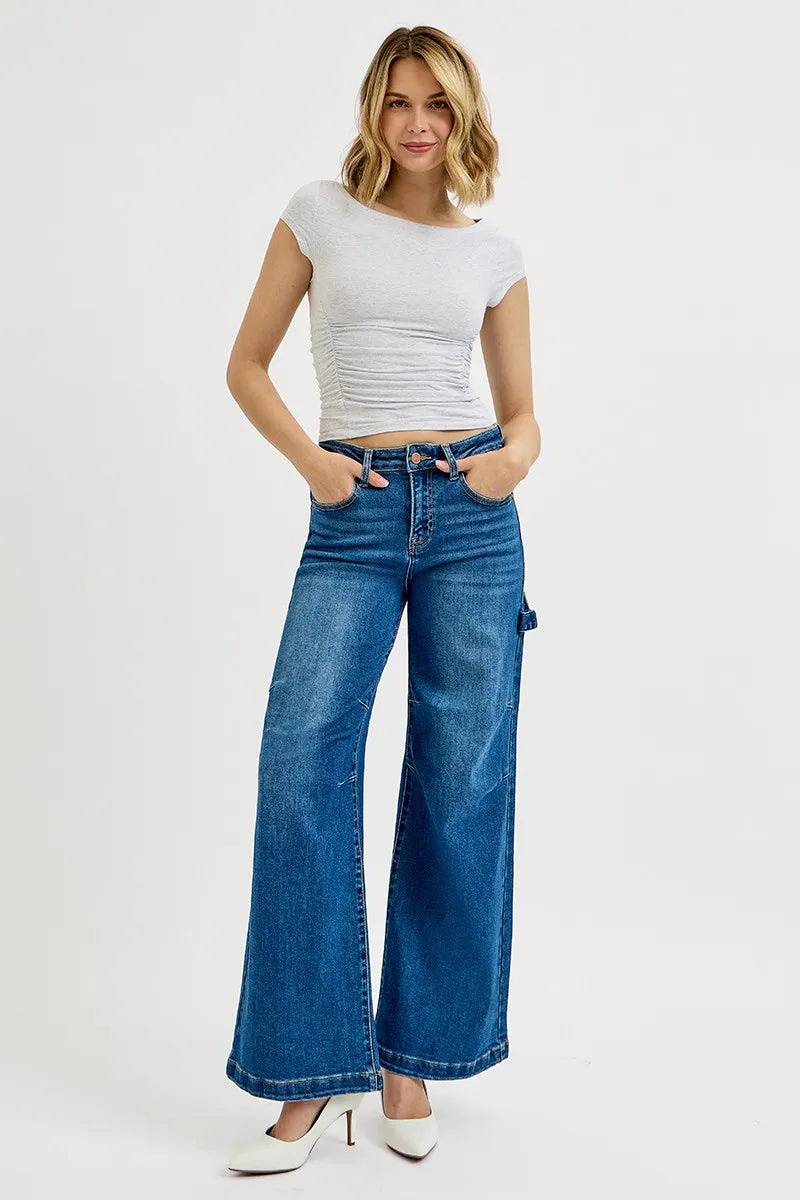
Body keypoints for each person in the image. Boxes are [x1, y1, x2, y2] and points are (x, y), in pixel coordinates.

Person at [224, 24, 541, 1175]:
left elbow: (522, 414)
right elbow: (247, 363)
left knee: (457, 782)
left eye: (438, 106)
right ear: (373, 109)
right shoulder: (317, 214)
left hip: (469, 519)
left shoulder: (492, 251)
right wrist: (313, 464)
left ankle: (406, 1062)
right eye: (399, 101)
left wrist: (511, 461)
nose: (416, 123)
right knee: (301, 761)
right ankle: (310, 1075)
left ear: (462, 117)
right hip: (349, 513)